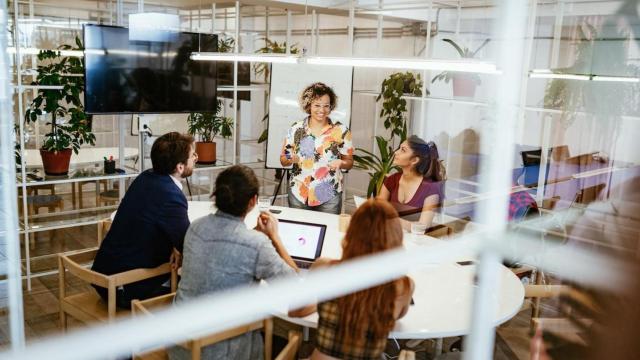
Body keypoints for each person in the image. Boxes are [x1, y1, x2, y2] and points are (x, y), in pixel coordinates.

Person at [170, 165, 298, 360]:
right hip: (221, 352)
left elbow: (224, 251)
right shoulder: (256, 245)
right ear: (253, 201)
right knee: (287, 340)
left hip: (180, 346)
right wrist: (274, 237)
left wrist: (256, 233)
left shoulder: (196, 227)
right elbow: (295, 286)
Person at [291, 199, 414, 360]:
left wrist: (327, 299)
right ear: (396, 237)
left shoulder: (324, 268)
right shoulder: (403, 286)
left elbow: (295, 311)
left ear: (351, 231)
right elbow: (395, 318)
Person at [92, 132, 195, 308]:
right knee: (195, 283)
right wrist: (178, 246)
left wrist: (175, 246)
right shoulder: (171, 196)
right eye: (193, 155)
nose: (196, 158)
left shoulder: (146, 177)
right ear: (179, 167)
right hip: (124, 288)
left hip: (104, 276)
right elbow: (189, 245)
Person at [280, 82, 354, 215]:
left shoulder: (341, 131)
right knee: (299, 233)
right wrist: (290, 158)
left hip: (328, 195)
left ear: (331, 106)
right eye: (317, 105)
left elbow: (349, 162)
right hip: (299, 192)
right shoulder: (296, 129)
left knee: (328, 232)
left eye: (326, 106)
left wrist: (342, 163)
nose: (322, 110)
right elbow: (283, 158)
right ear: (309, 105)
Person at [377, 135, 445, 230]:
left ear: (414, 160)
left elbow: (422, 226)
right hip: (391, 236)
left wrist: (390, 220)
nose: (396, 152)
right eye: (399, 148)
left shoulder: (431, 189)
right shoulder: (391, 180)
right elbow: (377, 210)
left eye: (403, 150)